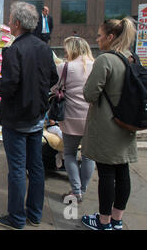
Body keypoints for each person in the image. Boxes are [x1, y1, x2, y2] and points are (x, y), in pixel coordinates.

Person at [0, 2, 59, 230]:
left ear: (17, 24)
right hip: (37, 117)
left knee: (18, 170)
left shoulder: (14, 50)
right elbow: (52, 78)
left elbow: (9, 86)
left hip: (17, 119)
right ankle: (35, 214)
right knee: (36, 167)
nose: (9, 23)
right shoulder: (44, 48)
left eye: (10, 20)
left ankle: (17, 218)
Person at [81, 18, 138, 230]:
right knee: (123, 172)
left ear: (110, 37)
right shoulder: (132, 58)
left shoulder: (105, 60)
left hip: (107, 126)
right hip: (128, 124)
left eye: (99, 35)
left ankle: (103, 222)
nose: (97, 39)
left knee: (106, 174)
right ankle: (117, 219)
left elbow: (89, 94)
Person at [51, 36, 95, 203]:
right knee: (88, 156)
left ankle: (76, 191)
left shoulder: (64, 67)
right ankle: (83, 189)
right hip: (91, 118)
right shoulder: (96, 65)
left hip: (70, 117)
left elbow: (55, 88)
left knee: (69, 153)